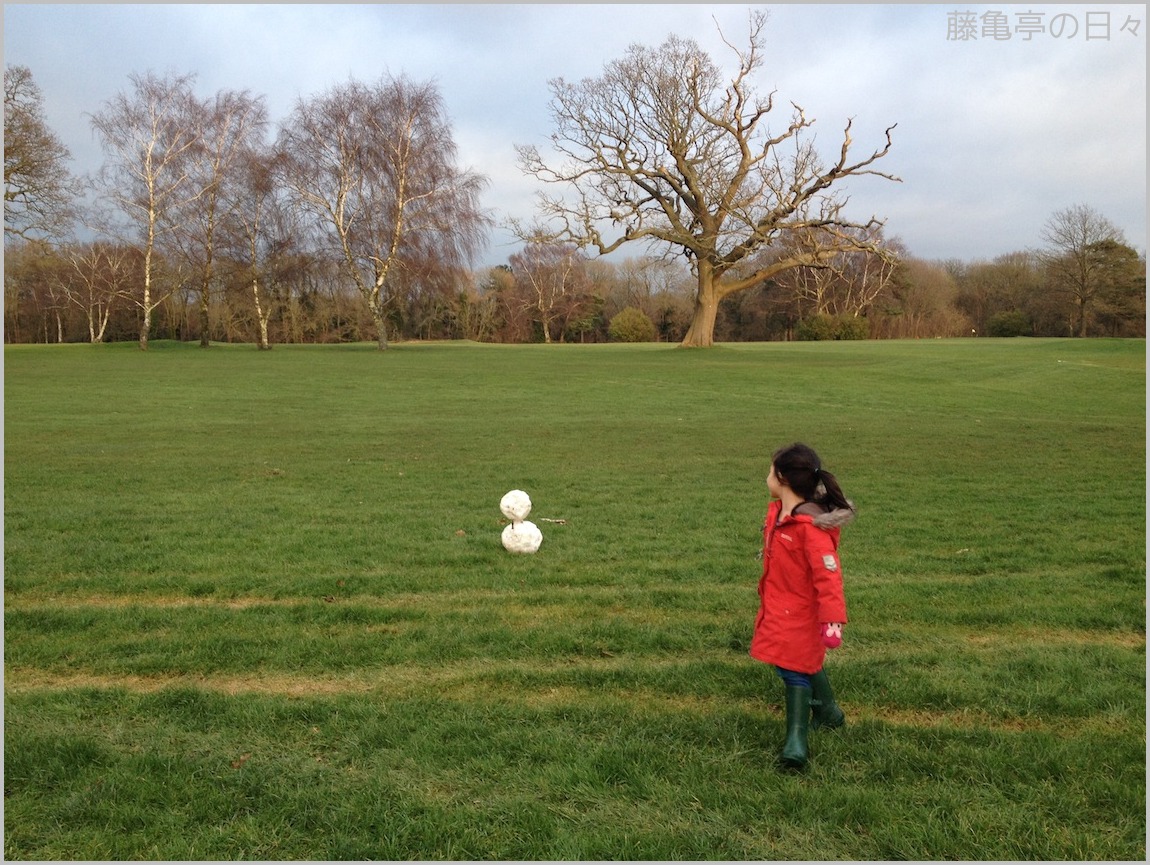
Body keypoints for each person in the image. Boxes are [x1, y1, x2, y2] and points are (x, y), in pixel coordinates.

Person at [749, 442, 854, 770]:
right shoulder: (779, 512)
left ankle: (796, 742)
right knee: (799, 661)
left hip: (802, 613)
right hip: (777, 604)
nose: (766, 476)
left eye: (769, 471)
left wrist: (832, 620)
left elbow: (829, 576)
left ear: (781, 477)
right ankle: (828, 712)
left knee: (792, 668)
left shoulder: (812, 529)